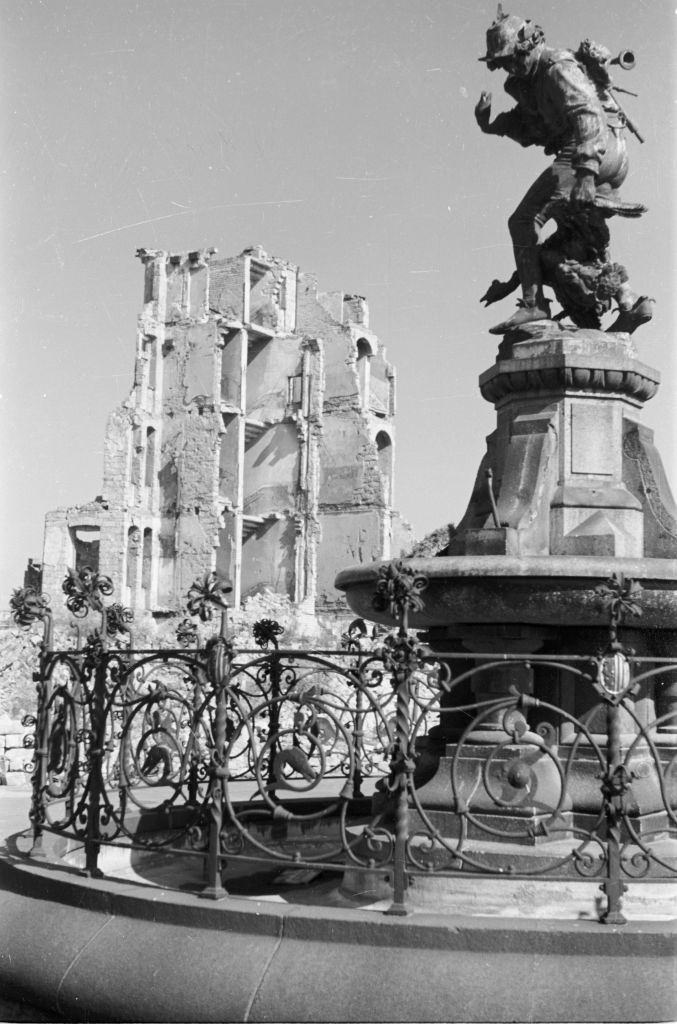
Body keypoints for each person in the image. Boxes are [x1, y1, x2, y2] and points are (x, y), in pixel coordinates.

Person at [475, 5, 651, 334]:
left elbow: (588, 115)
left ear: (528, 47)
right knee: (578, 235)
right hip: (607, 153)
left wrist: (585, 172)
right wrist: (491, 124)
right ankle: (629, 302)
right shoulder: (534, 79)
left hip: (593, 149)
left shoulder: (556, 68)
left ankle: (533, 306)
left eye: (511, 59)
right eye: (502, 64)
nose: (509, 68)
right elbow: (531, 126)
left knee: (524, 220)